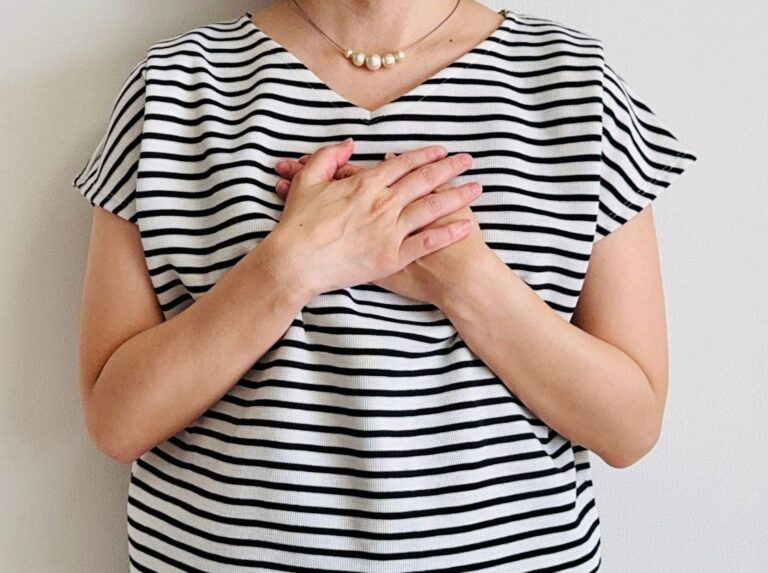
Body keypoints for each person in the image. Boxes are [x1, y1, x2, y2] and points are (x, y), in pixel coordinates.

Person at [69, 1, 697, 570]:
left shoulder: (575, 85)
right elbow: (116, 424)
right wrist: (292, 267)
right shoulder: (176, 85)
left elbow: (629, 430)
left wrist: (466, 280)